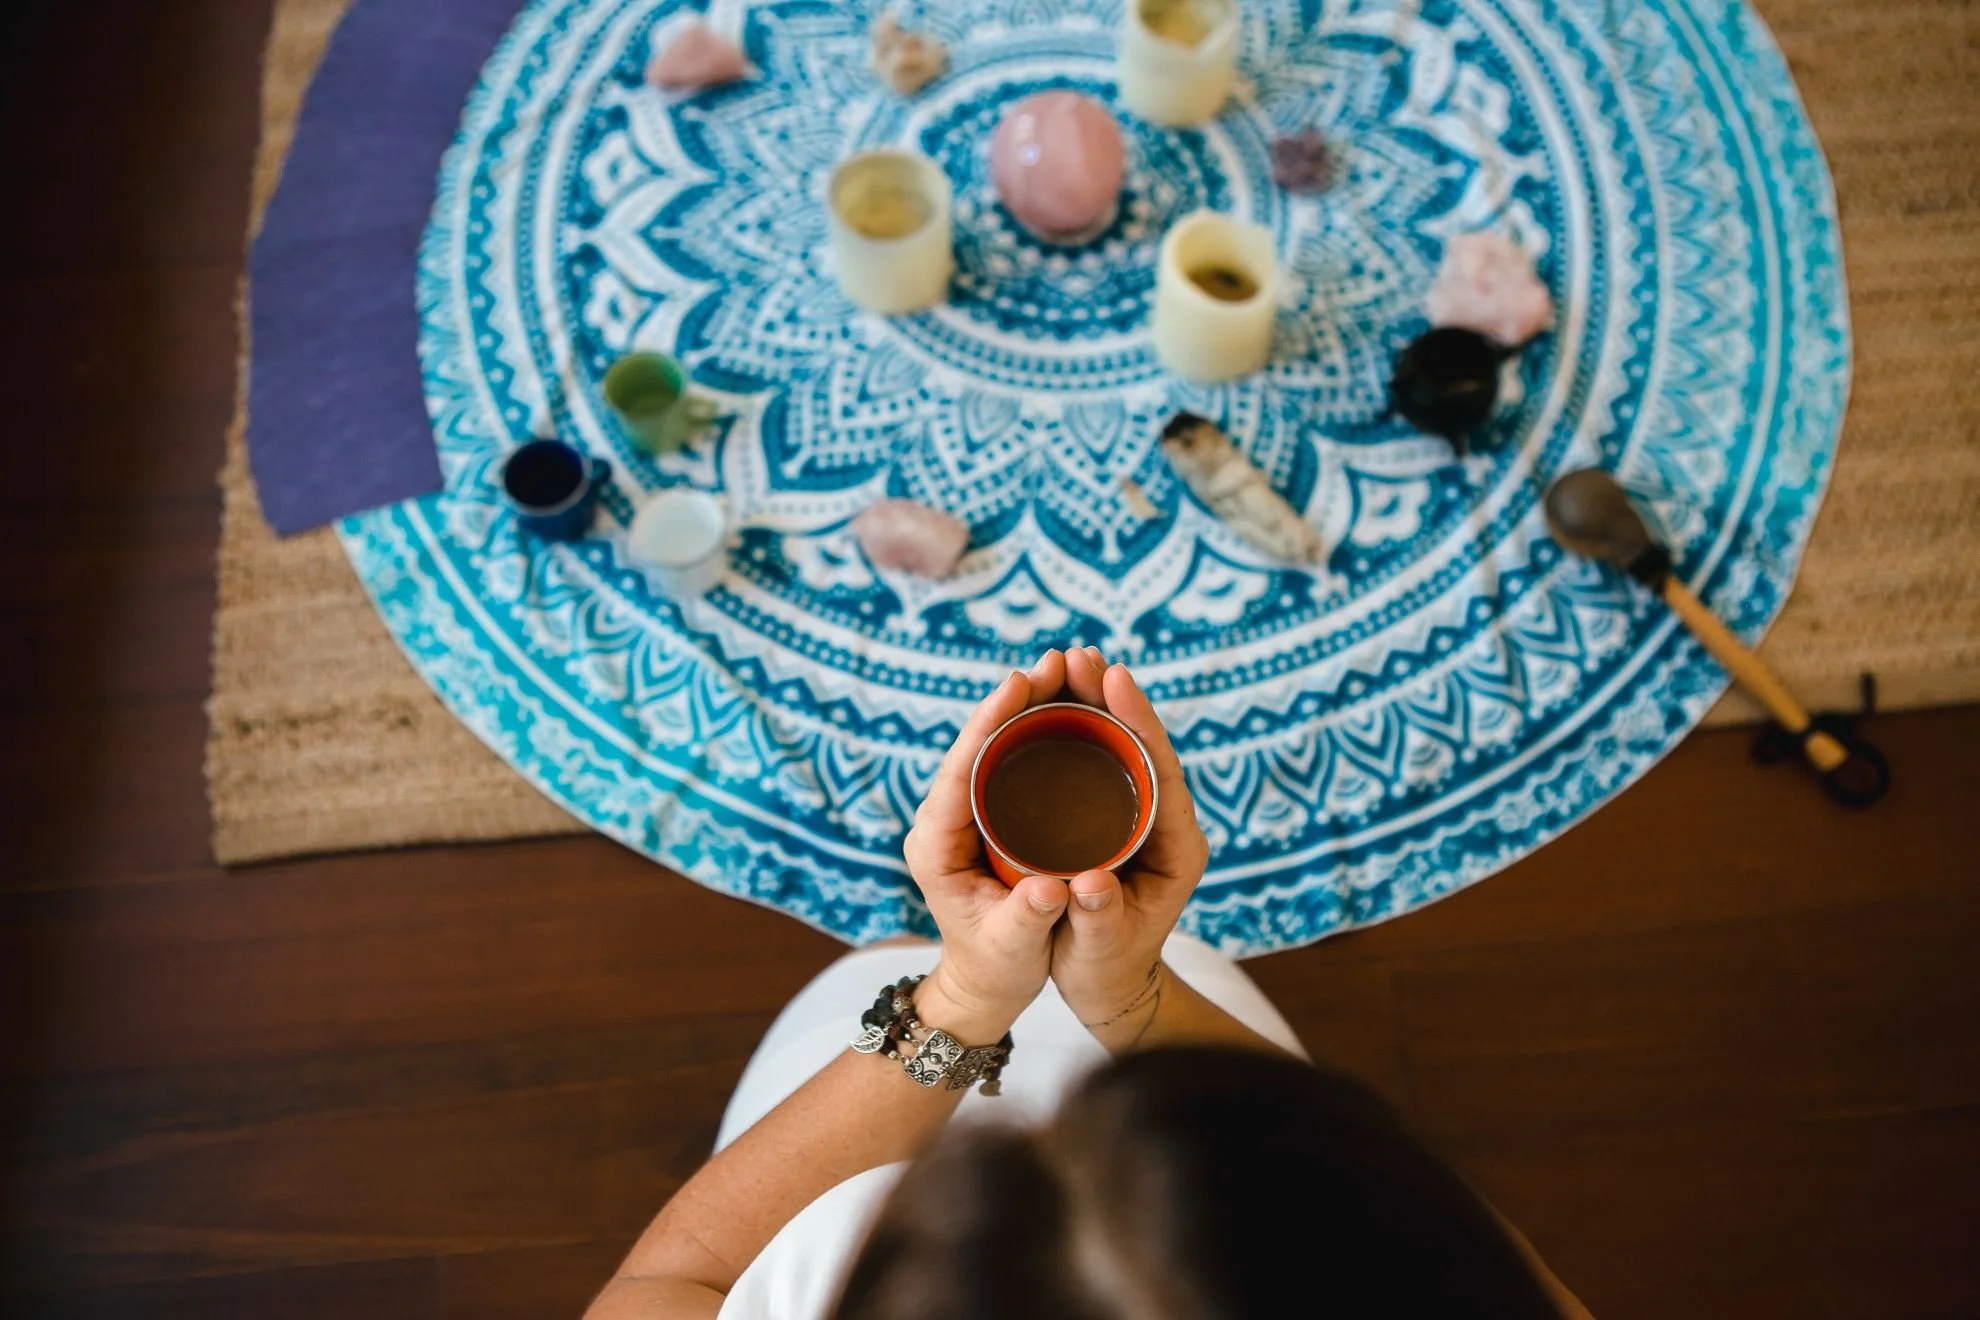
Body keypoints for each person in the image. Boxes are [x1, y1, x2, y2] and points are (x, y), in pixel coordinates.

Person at [587, 649, 1591, 1319]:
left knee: (869, 968)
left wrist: (961, 1001)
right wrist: (1138, 1000)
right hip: (1183, 1035)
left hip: (901, 1057)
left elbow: (679, 1279)